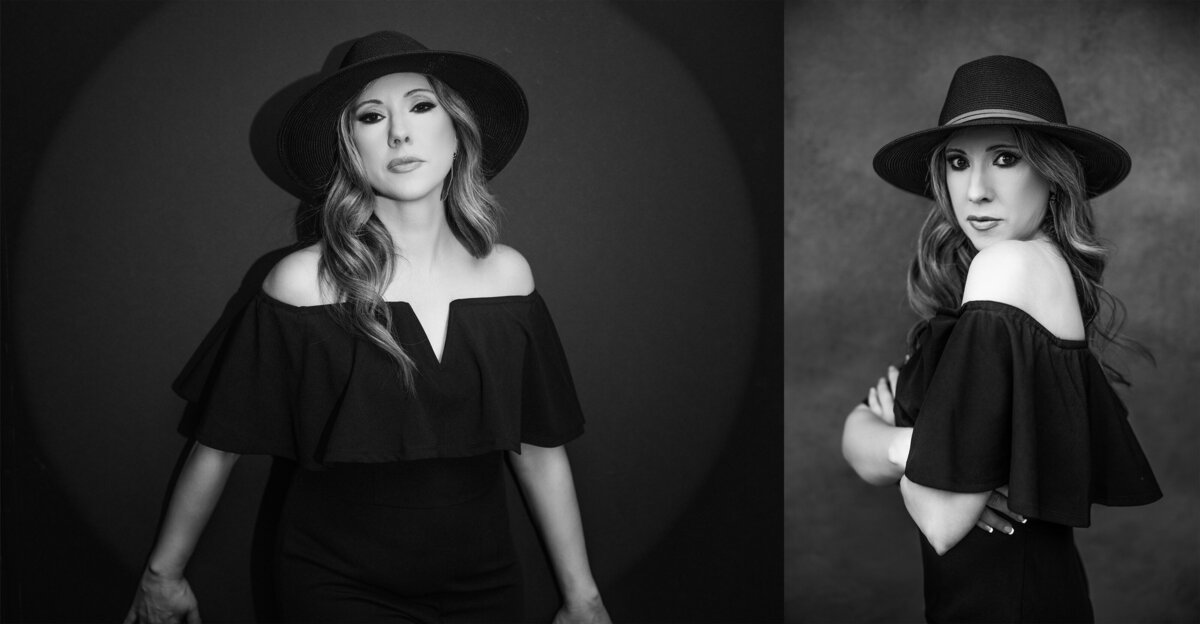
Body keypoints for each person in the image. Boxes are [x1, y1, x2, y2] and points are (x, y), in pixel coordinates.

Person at [125, 31, 611, 624]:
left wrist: (582, 596)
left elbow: (539, 448)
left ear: (458, 133)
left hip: (484, 584)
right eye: (372, 116)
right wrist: (163, 576)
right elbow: (217, 447)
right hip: (335, 585)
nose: (399, 133)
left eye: (421, 106)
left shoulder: (509, 276)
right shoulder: (302, 284)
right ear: (349, 147)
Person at [841, 55, 1161, 622]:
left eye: (1006, 159)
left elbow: (941, 520)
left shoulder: (1009, 268)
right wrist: (916, 449)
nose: (977, 190)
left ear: (1052, 175)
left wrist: (898, 444)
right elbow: (857, 440)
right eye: (959, 162)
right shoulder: (983, 287)